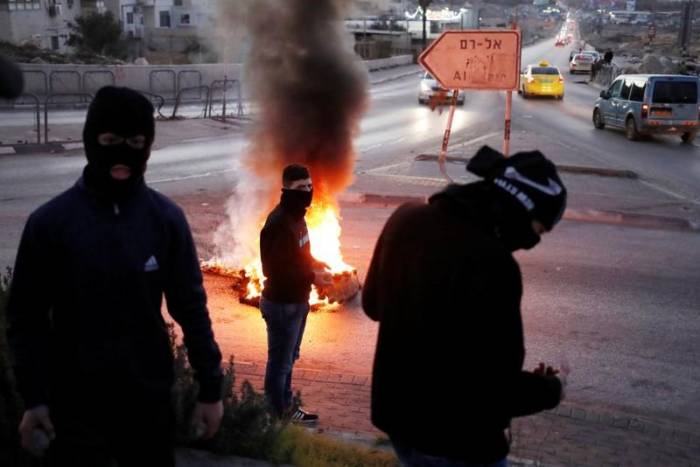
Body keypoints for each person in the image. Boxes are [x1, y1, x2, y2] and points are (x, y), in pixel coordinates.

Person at [6, 86, 224, 466]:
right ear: (92, 140)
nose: (123, 154)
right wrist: (34, 398)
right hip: (72, 405)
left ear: (148, 146)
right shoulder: (51, 223)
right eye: (110, 141)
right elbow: (26, 319)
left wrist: (211, 388)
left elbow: (191, 307)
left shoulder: (166, 221)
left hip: (148, 402)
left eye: (136, 142)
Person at [362, 146, 569, 466]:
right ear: (519, 208)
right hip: (458, 441)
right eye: (537, 230)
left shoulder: (405, 217)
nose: (531, 244)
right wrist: (550, 389)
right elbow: (493, 391)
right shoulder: (495, 265)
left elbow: (374, 306)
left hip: (400, 421)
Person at [259, 164, 332, 424]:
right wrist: (314, 277)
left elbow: (299, 256)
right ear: (286, 189)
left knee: (288, 359)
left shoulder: (298, 217)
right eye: (301, 188)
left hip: (298, 301)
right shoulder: (279, 223)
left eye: (309, 186)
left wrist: (316, 263)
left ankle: (286, 408)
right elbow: (276, 270)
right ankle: (276, 417)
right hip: (281, 304)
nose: (308, 191)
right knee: (279, 364)